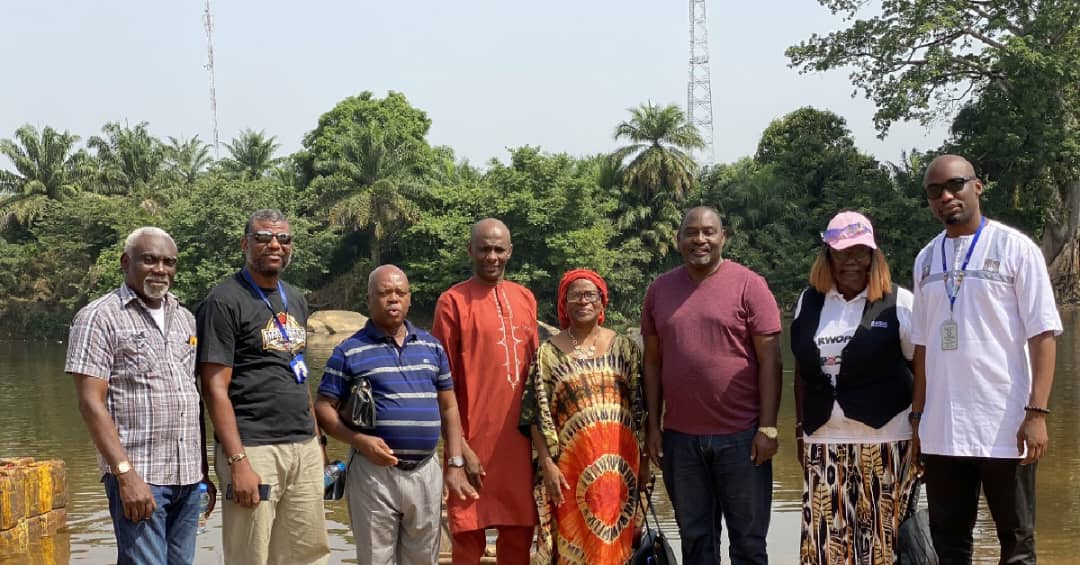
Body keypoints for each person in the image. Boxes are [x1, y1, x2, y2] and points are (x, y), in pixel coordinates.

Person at [911, 155, 1061, 564]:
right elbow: (922, 345)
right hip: (943, 428)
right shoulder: (926, 260)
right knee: (950, 539)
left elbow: (1043, 334)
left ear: (977, 187)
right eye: (934, 191)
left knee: (1016, 539)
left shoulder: (1015, 249)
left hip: (1005, 425)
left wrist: (1037, 413)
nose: (945, 196)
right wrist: (918, 418)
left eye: (955, 185)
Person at [641, 206, 782, 564]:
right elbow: (652, 362)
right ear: (678, 240)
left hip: (741, 438)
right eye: (691, 232)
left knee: (748, 542)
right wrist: (652, 427)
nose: (699, 239)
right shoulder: (659, 290)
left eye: (708, 232)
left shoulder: (750, 285)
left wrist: (768, 427)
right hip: (680, 440)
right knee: (696, 540)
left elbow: (771, 361)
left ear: (724, 237)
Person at [66, 226, 214, 564]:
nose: (161, 270)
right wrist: (125, 474)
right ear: (125, 262)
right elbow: (91, 403)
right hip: (140, 474)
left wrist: (203, 472)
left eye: (169, 262)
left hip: (187, 478)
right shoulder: (98, 317)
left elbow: (189, 395)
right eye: (149, 260)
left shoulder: (185, 319)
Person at [314, 265, 478, 564]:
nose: (393, 299)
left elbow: (449, 407)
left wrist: (454, 464)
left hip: (425, 471)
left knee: (422, 559)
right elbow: (324, 409)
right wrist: (360, 440)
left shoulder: (432, 347)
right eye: (384, 293)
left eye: (400, 293)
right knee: (376, 559)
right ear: (369, 300)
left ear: (410, 299)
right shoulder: (348, 350)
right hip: (373, 473)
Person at [196, 209, 330, 565]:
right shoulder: (223, 301)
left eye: (283, 238)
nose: (274, 244)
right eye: (263, 238)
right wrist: (238, 461)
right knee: (250, 554)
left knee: (308, 552)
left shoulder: (296, 298)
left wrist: (317, 441)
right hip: (254, 448)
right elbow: (214, 388)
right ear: (245, 244)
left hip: (302, 446)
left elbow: (297, 374)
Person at [790, 211, 919, 564]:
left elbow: (921, 368)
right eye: (841, 251)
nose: (850, 261)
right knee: (824, 548)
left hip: (886, 441)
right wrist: (801, 428)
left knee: (881, 545)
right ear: (827, 253)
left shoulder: (899, 302)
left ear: (873, 254)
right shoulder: (810, 301)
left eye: (859, 251)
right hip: (824, 441)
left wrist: (921, 425)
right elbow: (802, 371)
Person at [519, 269, 646, 564]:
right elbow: (535, 415)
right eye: (574, 295)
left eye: (590, 295)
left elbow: (642, 412)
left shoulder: (625, 348)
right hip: (568, 472)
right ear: (564, 303)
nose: (583, 301)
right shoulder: (548, 354)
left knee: (614, 546)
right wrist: (548, 465)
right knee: (571, 546)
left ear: (603, 302)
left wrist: (645, 465)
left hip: (619, 469)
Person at [432, 218, 539, 565]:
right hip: (470, 439)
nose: (491, 256)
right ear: (470, 251)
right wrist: (460, 449)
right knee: (466, 535)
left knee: (519, 533)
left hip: (519, 444)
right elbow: (439, 383)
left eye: (498, 249)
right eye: (484, 249)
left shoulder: (524, 298)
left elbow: (539, 376)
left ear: (510, 251)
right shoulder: (452, 302)